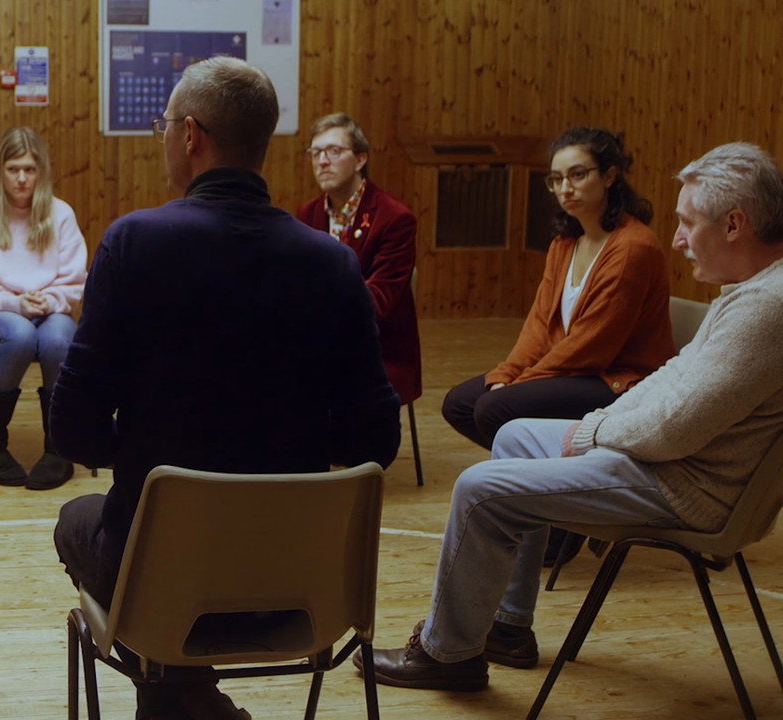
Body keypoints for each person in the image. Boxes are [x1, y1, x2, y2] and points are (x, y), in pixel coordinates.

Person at [358, 142, 783, 692]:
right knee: (513, 434)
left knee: (480, 489)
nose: (677, 237)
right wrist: (600, 422)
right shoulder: (752, 291)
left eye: (687, 222)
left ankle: (448, 655)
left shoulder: (766, 308)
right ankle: (507, 627)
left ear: (734, 224)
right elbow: (672, 382)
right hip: (666, 462)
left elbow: (672, 429)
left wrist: (593, 432)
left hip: (684, 485)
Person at [50, 57, 402, 720]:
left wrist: (148, 443)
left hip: (162, 586)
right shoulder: (332, 264)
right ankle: (191, 699)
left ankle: (181, 697)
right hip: (302, 586)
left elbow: (74, 430)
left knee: (76, 522)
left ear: (190, 135)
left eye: (163, 128)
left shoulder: (134, 244)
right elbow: (375, 440)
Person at [442, 127, 675, 452]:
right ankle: (556, 468)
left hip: (619, 380)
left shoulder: (632, 247)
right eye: (556, 179)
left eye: (577, 175)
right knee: (459, 404)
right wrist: (505, 374)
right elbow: (539, 324)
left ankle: (553, 476)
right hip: (578, 370)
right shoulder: (564, 242)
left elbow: (592, 345)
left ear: (609, 176)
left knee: (493, 408)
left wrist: (519, 384)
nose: (565, 188)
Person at [0, 126, 88, 490]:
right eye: (14, 169)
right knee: (20, 334)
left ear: (41, 171)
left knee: (60, 339)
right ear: (0, 171)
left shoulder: (60, 214)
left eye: (30, 169)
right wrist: (15, 302)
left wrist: (51, 299)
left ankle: (59, 448)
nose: (22, 178)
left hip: (49, 308)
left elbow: (74, 280)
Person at [295, 113, 421, 405]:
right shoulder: (308, 213)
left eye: (334, 151)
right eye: (315, 153)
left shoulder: (394, 218)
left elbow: (379, 299)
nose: (322, 161)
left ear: (361, 159)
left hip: (378, 350)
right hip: (320, 342)